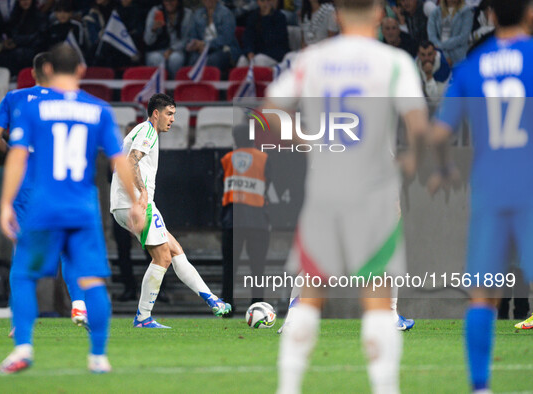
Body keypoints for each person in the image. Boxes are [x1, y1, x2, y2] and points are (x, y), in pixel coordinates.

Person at [265, 0, 428, 392]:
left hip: (325, 191)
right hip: (372, 192)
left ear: (336, 17)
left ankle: (288, 387)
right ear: (378, 14)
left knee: (308, 298)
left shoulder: (313, 59)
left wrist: (311, 142)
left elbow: (269, 114)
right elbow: (418, 125)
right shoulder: (394, 62)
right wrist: (408, 164)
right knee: (375, 300)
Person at [0, 43, 144, 374]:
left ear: (47, 71)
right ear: (81, 70)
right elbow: (119, 161)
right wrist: (136, 199)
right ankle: (98, 357)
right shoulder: (99, 109)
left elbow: (17, 157)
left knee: (23, 276)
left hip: (42, 207)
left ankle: (23, 348)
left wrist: (6, 203)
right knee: (92, 281)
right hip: (82, 209)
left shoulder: (32, 110)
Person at [430, 0, 533, 390]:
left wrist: (443, 169)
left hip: (490, 189)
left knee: (483, 295)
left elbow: (440, 134)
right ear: (529, 13)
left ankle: (480, 385)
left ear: (489, 15)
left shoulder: (470, 68)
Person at [110, 93, 232, 328]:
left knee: (175, 250)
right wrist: (143, 194)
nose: (173, 119)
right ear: (156, 113)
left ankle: (212, 299)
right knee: (163, 257)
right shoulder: (147, 131)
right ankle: (143, 317)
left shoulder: (142, 131)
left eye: (174, 114)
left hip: (129, 203)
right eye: (169, 113)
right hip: (135, 203)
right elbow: (131, 161)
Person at [0, 52, 88, 327]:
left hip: (25, 183)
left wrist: (16, 158)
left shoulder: (14, 98)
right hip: (59, 180)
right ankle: (79, 306)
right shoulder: (69, 101)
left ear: (34, 73)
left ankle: (21, 318)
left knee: (24, 252)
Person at [220, 124, 271, 313]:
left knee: (229, 268)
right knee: (258, 268)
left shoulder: (227, 159)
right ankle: (258, 307)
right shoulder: (263, 158)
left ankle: (227, 307)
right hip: (258, 221)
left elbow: (220, 188)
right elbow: (269, 185)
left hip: (232, 221)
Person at [187, 0, 241, 75]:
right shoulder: (197, 14)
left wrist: (206, 45)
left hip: (224, 49)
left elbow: (226, 38)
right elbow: (193, 36)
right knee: (193, 59)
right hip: (202, 49)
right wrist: (196, 45)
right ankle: (195, 86)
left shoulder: (226, 14)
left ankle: (211, 85)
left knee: (212, 60)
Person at [0, 0, 48, 76]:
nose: (25, 1)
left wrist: (17, 41)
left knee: (19, 54)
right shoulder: (15, 16)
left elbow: (40, 38)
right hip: (16, 48)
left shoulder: (40, 16)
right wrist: (7, 42)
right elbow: (9, 32)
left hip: (33, 49)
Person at [144, 0, 193, 79]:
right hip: (157, 49)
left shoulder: (187, 14)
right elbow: (148, 41)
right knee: (156, 58)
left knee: (175, 59)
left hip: (177, 50)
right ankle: (159, 88)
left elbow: (186, 39)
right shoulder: (155, 11)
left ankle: (173, 88)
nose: (169, 2)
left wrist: (172, 49)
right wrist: (153, 29)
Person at [236, 0, 289, 67]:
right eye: (262, 1)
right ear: (258, 2)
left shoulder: (280, 17)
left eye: (268, 1)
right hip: (257, 52)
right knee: (242, 60)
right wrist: (249, 51)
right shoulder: (253, 17)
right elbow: (248, 37)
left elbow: (274, 40)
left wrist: (266, 18)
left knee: (259, 60)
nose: (266, 3)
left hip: (275, 54)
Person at [427, 0, 474, 66]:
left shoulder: (466, 12)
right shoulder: (435, 13)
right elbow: (432, 37)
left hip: (461, 58)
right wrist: (445, 56)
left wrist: (441, 46)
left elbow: (463, 38)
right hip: (440, 58)